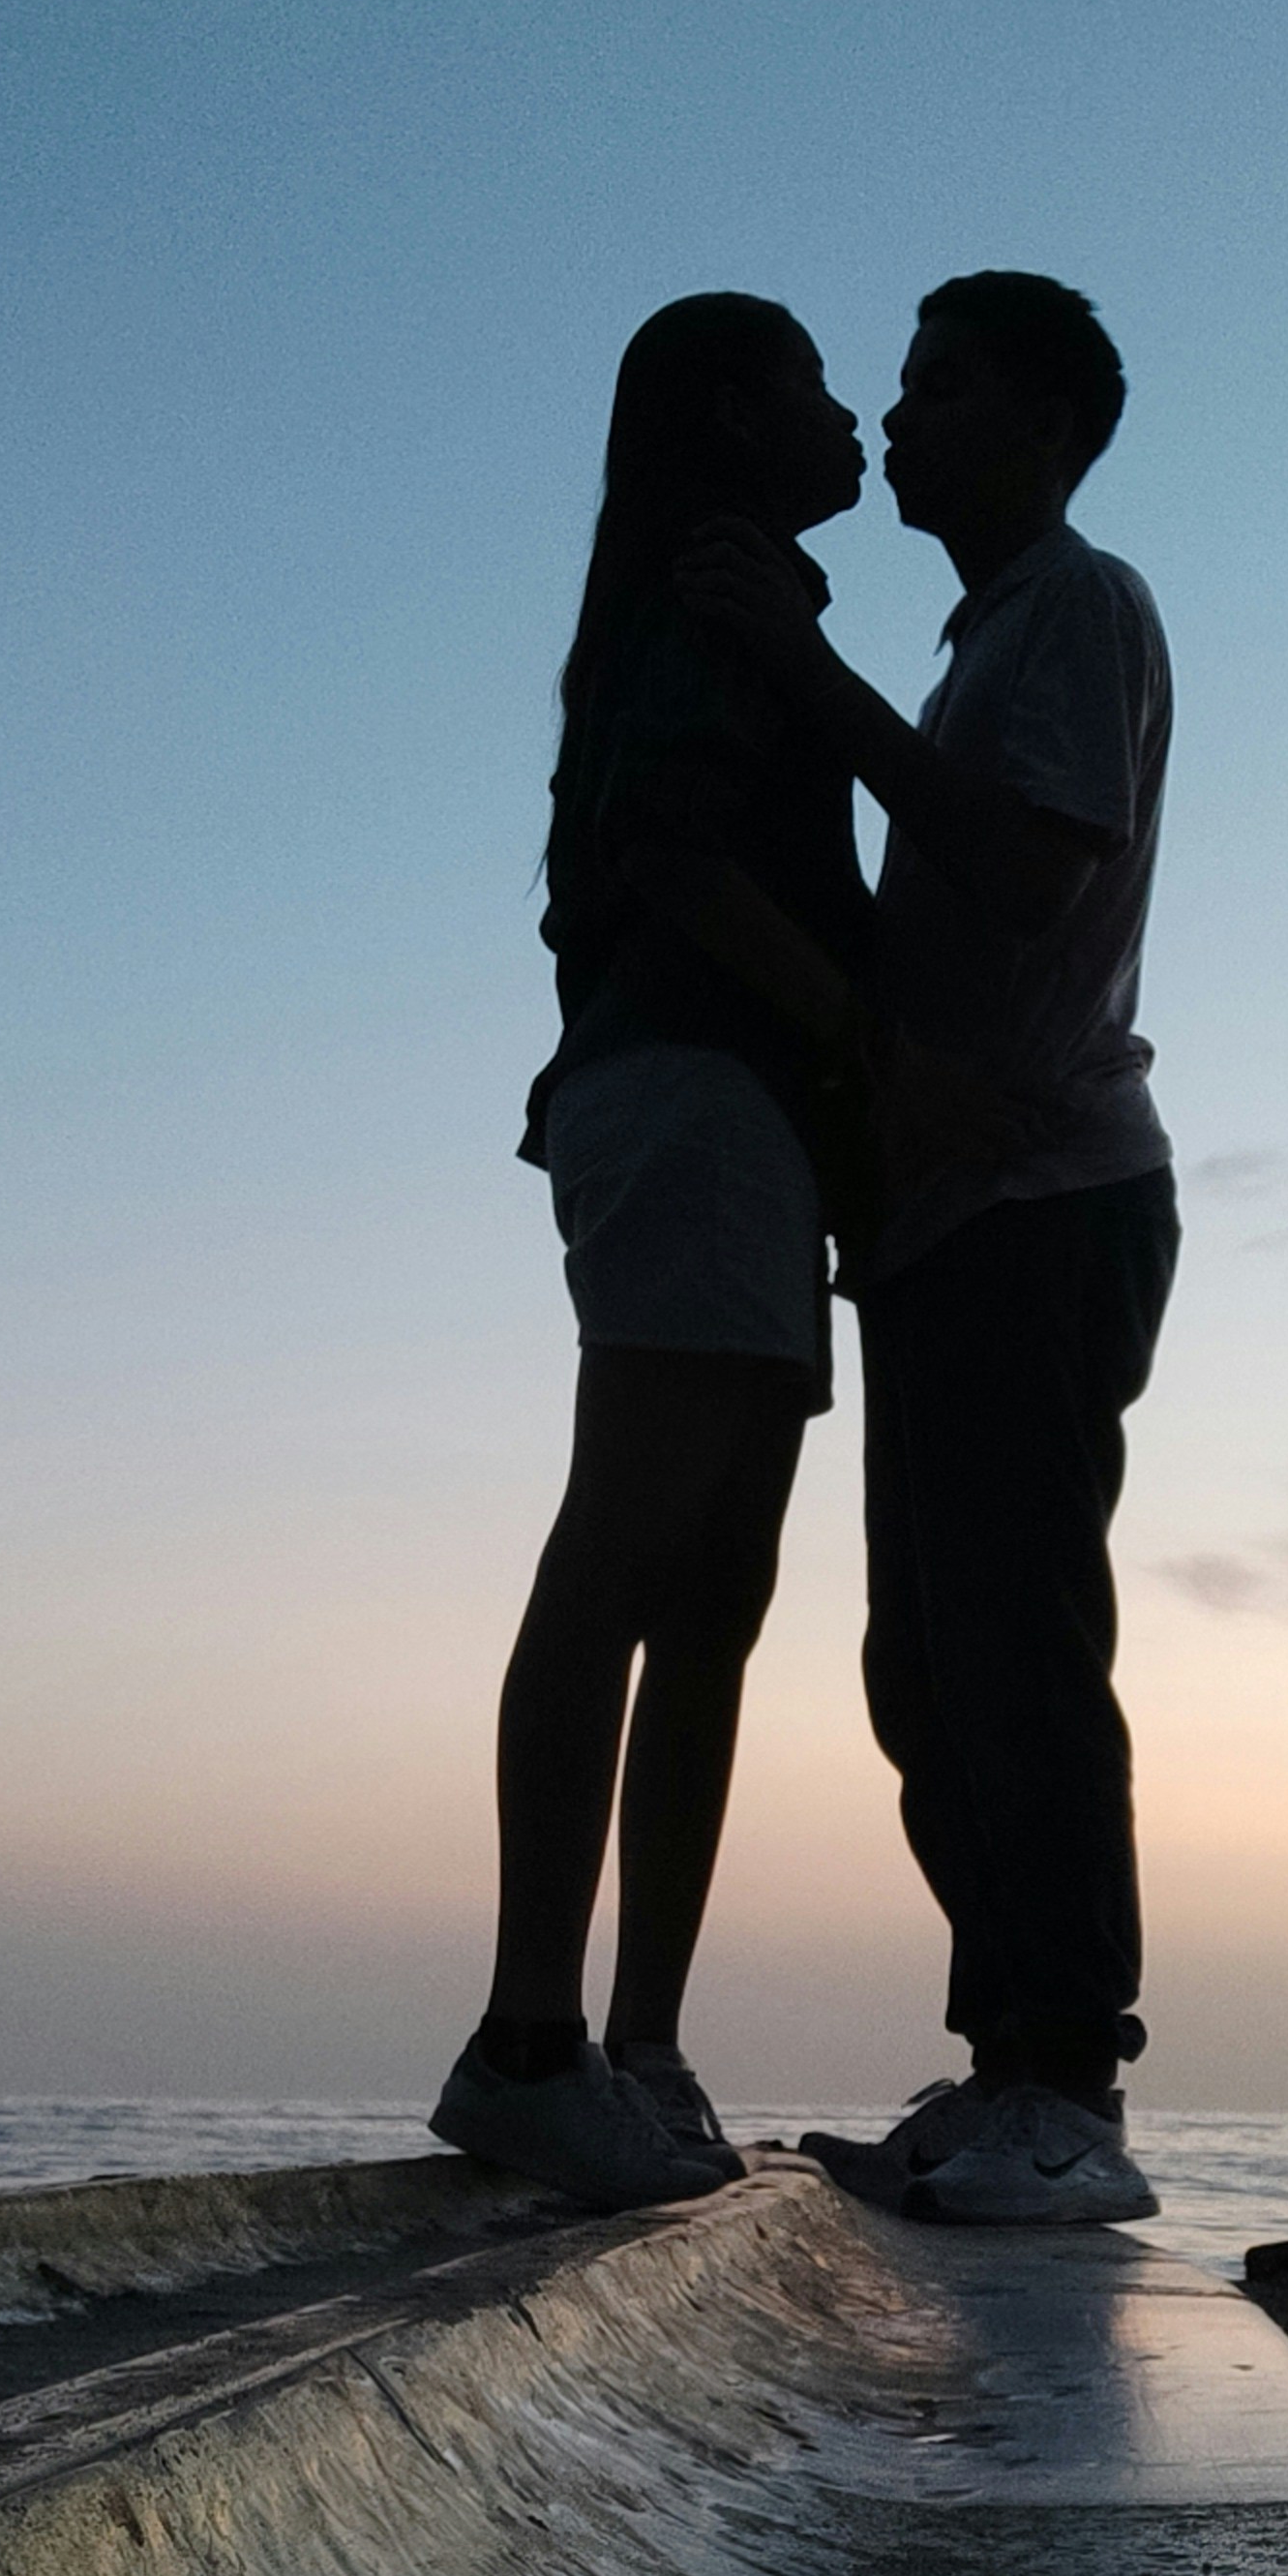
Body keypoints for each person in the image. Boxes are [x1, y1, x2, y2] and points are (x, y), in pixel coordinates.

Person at [681, 271, 1176, 2227]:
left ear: (1044, 418)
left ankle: (1064, 2085)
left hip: (1048, 1198)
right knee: (927, 1656)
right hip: (955, 1213)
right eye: (894, 387)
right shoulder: (993, 631)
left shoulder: (1071, 603)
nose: (897, 420)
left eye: (937, 388)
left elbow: (1026, 857)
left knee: (1015, 1637)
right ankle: (1004, 2071)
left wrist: (803, 684)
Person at [429, 295, 874, 2209]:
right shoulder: (709, 609)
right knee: (626, 1552)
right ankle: (533, 2035)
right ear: (723, 419)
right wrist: (879, 1065)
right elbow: (678, 870)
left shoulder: (737, 606)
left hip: (738, 1124)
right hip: (695, 1103)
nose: (848, 418)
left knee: (712, 1597)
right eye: (810, 386)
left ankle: (642, 2043)